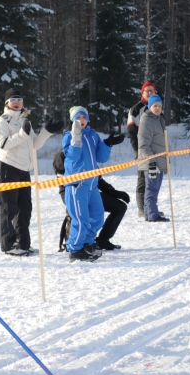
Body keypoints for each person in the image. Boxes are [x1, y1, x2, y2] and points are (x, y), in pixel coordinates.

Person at [0, 88, 64, 256]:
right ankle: (8, 245)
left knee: (25, 208)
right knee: (8, 208)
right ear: (7, 103)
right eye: (13, 100)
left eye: (19, 99)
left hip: (24, 169)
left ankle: (23, 243)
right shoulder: (2, 121)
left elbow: (34, 144)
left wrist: (48, 131)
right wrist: (22, 134)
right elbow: (3, 144)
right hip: (7, 167)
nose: (16, 102)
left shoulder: (25, 121)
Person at [61, 106, 123, 262]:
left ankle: (87, 243)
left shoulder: (93, 136)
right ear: (72, 121)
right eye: (77, 118)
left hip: (92, 186)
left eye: (83, 117)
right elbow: (73, 156)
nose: (81, 121)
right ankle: (75, 249)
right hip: (77, 186)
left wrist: (108, 143)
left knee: (97, 217)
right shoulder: (68, 137)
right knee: (81, 219)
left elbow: (101, 158)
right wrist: (76, 137)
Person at [53, 151, 130, 251]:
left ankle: (103, 240)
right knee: (81, 213)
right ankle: (73, 242)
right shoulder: (62, 155)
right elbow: (63, 182)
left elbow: (97, 179)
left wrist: (113, 192)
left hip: (91, 192)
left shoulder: (88, 152)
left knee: (120, 207)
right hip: (71, 192)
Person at [127, 81, 158, 218]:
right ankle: (142, 209)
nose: (150, 93)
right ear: (143, 93)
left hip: (156, 150)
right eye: (147, 91)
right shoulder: (136, 109)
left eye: (152, 91)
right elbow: (132, 132)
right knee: (142, 178)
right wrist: (137, 150)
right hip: (142, 149)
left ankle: (150, 207)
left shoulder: (157, 107)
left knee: (154, 178)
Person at [138, 95, 170, 222]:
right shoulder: (147, 120)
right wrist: (151, 162)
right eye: (155, 106)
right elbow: (143, 144)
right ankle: (152, 215)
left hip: (160, 161)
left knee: (155, 189)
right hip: (151, 163)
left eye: (159, 106)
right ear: (150, 106)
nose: (157, 108)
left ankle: (150, 212)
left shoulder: (159, 120)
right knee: (151, 189)